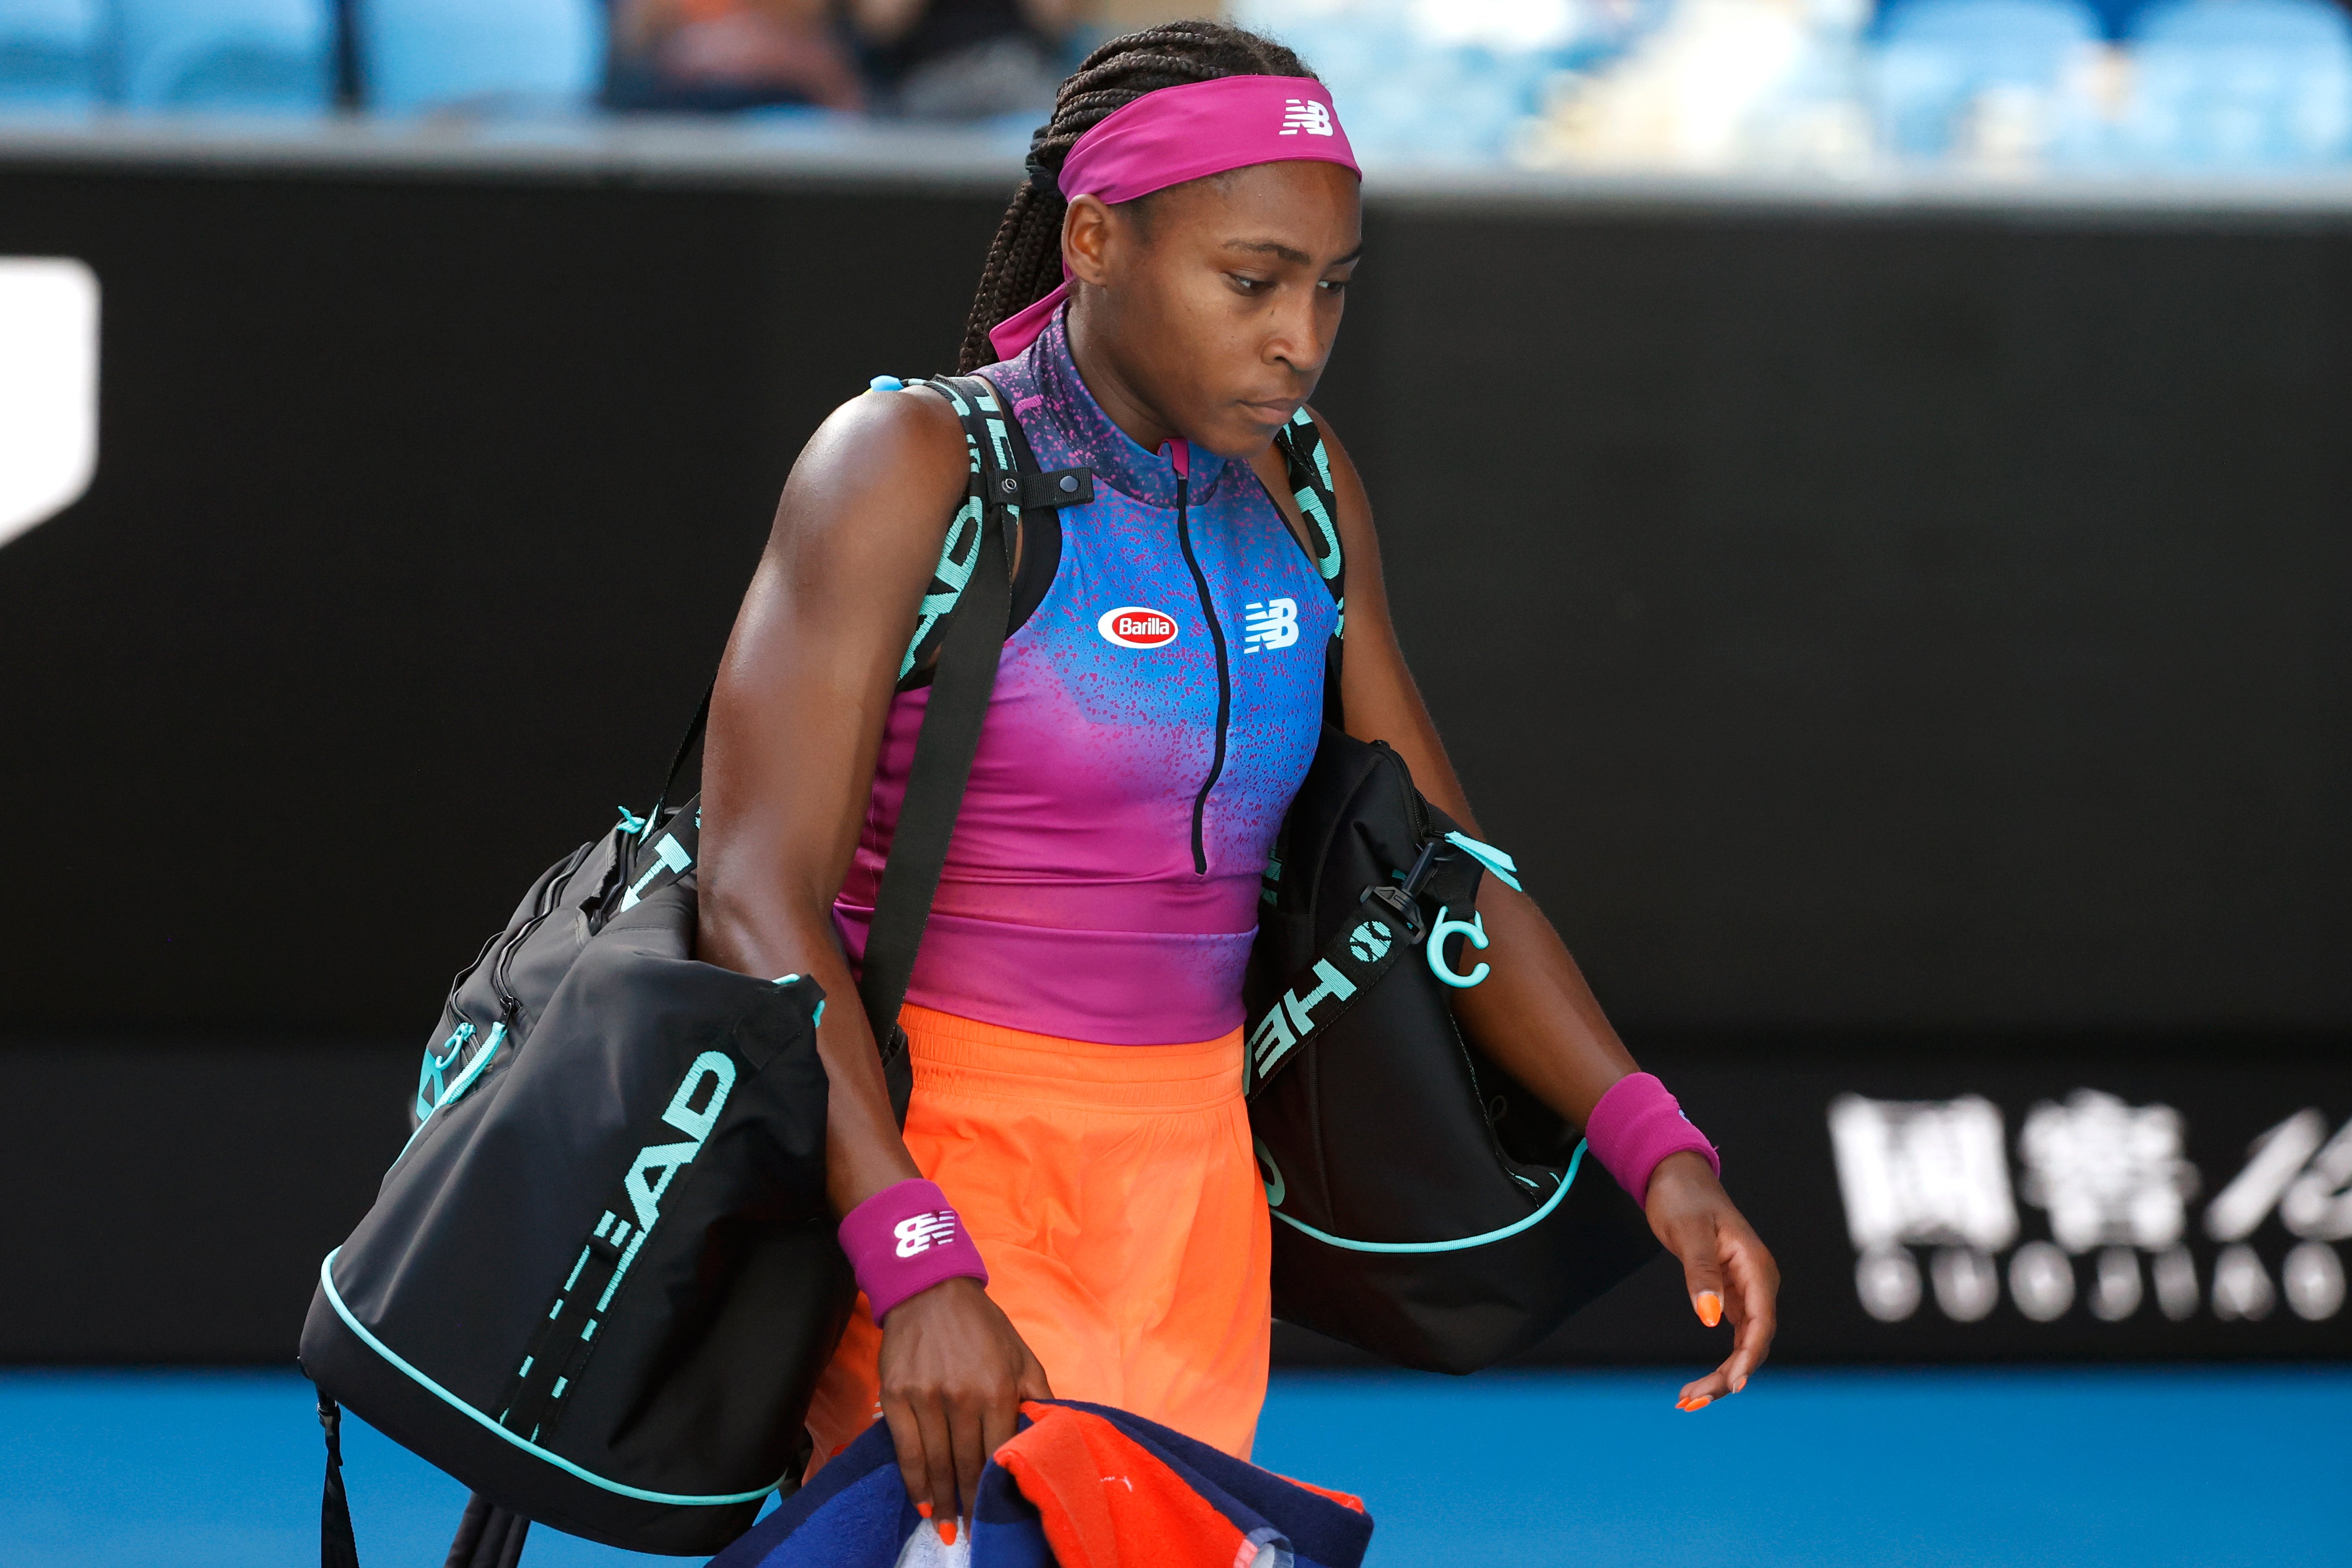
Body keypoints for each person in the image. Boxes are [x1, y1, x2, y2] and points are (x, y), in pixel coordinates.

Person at [695, 18, 1780, 1541]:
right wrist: (916, 1249)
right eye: (1252, 281)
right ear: (1093, 238)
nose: (1300, 338)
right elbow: (754, 888)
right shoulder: (901, 466)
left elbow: (1440, 861)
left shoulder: (1308, 483)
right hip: (934, 1171)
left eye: (1332, 289)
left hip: (1197, 1202)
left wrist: (1654, 1142)